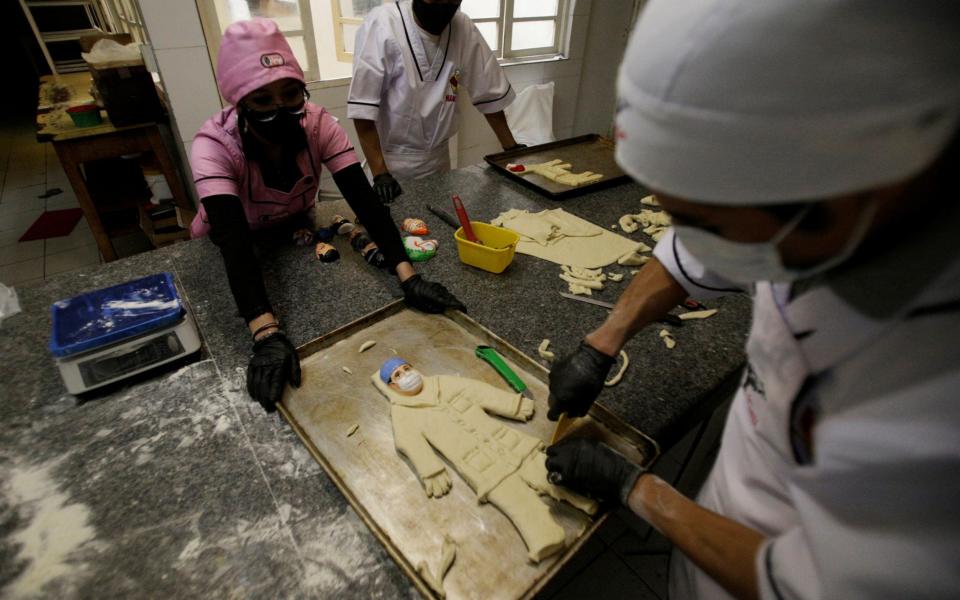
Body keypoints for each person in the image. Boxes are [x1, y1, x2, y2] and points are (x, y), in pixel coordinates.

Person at [544, 2, 960, 599]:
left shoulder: (932, 399)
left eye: (710, 219)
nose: (693, 236)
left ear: (861, 177)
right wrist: (603, 341)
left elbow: (812, 586)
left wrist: (638, 489)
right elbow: (699, 250)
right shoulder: (805, 214)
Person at [189, 19, 465, 413]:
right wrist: (266, 333)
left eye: (291, 94)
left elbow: (364, 202)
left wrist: (409, 276)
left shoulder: (317, 123)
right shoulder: (213, 145)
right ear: (240, 103)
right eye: (263, 102)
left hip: (296, 225)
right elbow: (234, 245)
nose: (281, 110)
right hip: (234, 235)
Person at [347, 0, 524, 203]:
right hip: (392, 168)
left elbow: (489, 92)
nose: (443, 6)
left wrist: (511, 150)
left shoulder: (462, 26)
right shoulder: (382, 24)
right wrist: (380, 173)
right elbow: (363, 109)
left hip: (438, 163)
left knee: (437, 228)